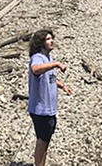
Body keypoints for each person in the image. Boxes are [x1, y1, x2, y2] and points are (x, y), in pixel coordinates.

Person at [27, 29, 72, 166]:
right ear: (41, 42)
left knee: (45, 140)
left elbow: (49, 78)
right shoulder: (37, 58)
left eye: (52, 38)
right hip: (40, 109)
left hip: (49, 108)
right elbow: (35, 70)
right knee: (42, 140)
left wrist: (62, 85)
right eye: (47, 39)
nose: (51, 41)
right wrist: (56, 64)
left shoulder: (47, 58)